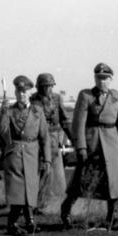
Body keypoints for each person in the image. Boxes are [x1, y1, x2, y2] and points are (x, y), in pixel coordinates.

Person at [60, 63, 118, 230]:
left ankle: (112, 218)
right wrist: (81, 147)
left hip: (112, 142)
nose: (102, 81)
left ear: (111, 79)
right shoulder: (86, 96)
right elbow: (79, 123)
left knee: (114, 181)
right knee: (82, 178)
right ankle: (66, 210)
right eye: (99, 78)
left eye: (105, 78)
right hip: (93, 142)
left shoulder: (115, 96)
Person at [0, 75, 51, 235]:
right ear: (15, 93)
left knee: (30, 188)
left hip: (32, 152)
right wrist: (2, 112)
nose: (22, 95)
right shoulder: (9, 110)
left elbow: (45, 137)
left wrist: (47, 158)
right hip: (14, 153)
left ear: (29, 93)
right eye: (19, 92)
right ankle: (12, 223)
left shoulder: (37, 111)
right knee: (16, 189)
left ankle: (29, 221)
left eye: (25, 92)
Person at [30, 73, 74, 220]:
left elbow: (65, 120)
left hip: (55, 140)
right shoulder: (33, 100)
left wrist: (73, 138)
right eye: (45, 86)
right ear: (39, 87)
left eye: (50, 86)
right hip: (39, 140)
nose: (48, 89)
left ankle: (54, 205)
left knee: (57, 174)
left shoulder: (57, 99)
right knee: (42, 172)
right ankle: (37, 204)